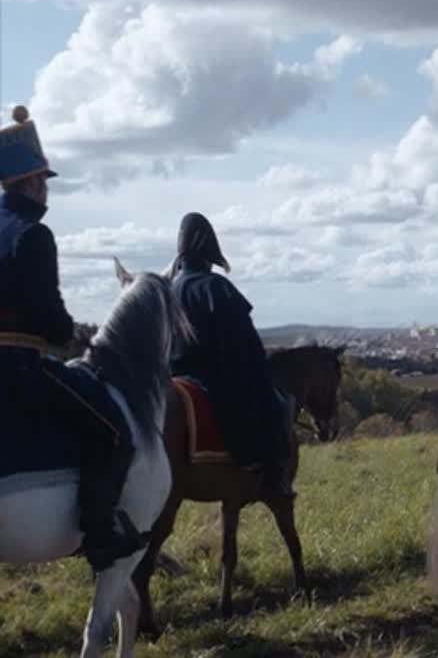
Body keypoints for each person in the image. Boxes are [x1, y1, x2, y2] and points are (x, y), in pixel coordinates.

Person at [0, 105, 145, 571]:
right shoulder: (34, 234)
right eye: (44, 181)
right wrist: (73, 335)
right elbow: (47, 311)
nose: (46, 191)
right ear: (34, 182)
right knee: (112, 431)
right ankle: (99, 531)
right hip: (19, 368)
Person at [167, 212, 295, 499]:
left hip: (174, 374)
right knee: (274, 403)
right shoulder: (215, 287)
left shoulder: (170, 289)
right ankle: (272, 475)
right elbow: (246, 343)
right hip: (212, 375)